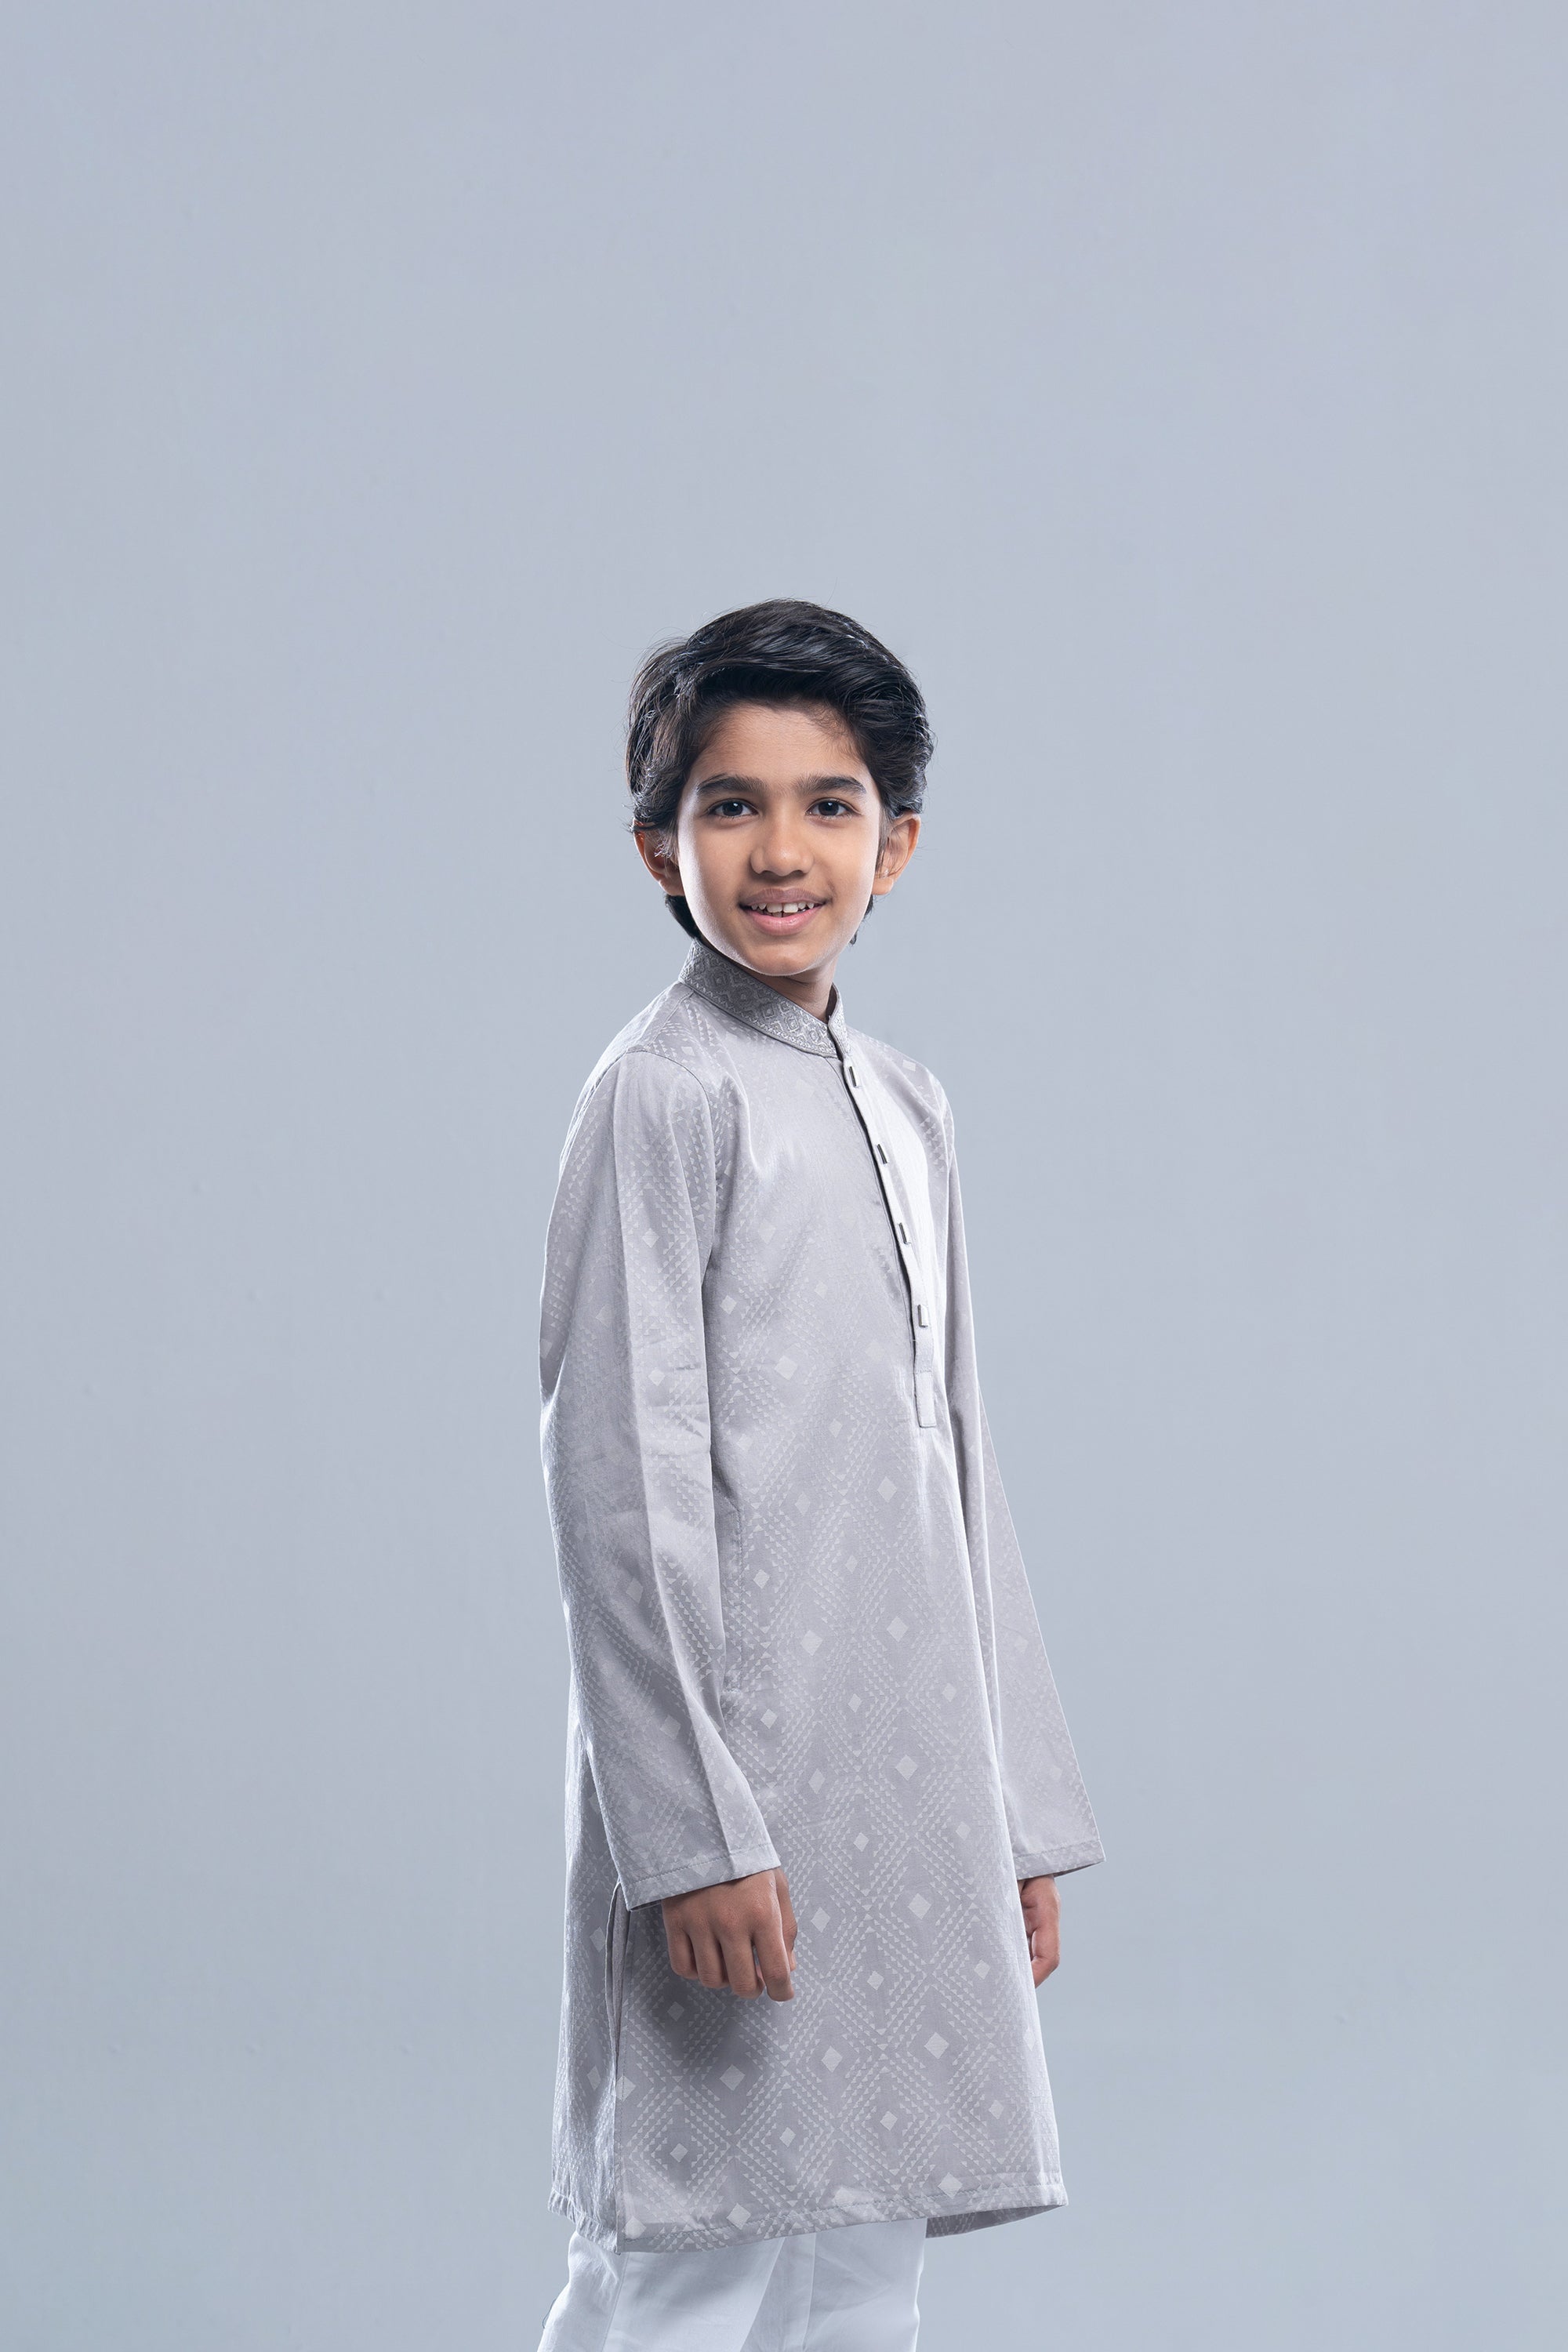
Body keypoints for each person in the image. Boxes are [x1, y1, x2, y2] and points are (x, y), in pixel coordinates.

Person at [536, 601, 1102, 2350]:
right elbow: (617, 1490)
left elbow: (959, 1466)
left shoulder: (908, 1102)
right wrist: (687, 1834)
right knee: (691, 2250)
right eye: (731, 804)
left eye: (828, 803)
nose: (781, 849)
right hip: (737, 1794)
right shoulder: (662, 1096)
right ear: (659, 845)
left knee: (865, 2251)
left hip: (913, 1785)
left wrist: (1015, 1812)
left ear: (896, 843)